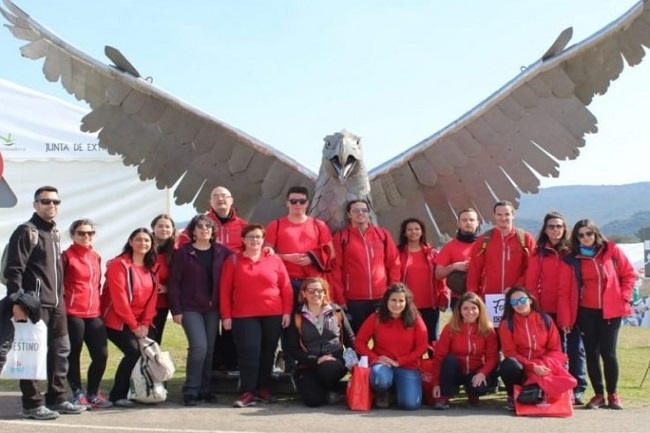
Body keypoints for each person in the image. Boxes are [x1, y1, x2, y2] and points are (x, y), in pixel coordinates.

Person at [3, 186, 86, 420]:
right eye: (46, 201)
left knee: (61, 351)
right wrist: (17, 302)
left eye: (56, 202)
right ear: (35, 205)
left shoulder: (55, 233)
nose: (52, 206)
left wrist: (62, 300)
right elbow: (14, 271)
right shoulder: (26, 231)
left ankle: (57, 398)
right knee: (32, 355)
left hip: (57, 304)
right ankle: (32, 404)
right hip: (33, 304)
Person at [557, 219, 636, 410]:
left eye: (589, 233)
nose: (586, 238)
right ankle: (598, 394)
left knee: (609, 353)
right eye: (581, 235)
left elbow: (629, 275)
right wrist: (566, 319)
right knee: (591, 353)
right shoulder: (571, 259)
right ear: (576, 238)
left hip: (611, 311)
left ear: (596, 233)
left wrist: (624, 297)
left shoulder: (612, 250)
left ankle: (613, 394)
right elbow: (564, 291)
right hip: (586, 312)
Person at [219, 224, 293, 408]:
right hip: (243, 316)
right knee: (249, 353)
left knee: (268, 354)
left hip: (273, 314)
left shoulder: (274, 260)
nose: (255, 240)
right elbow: (225, 290)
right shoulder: (233, 261)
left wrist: (286, 312)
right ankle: (247, 392)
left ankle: (263, 389)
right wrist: (226, 315)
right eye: (251, 237)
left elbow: (286, 288)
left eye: (258, 237)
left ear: (263, 239)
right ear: (243, 240)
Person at [178, 186, 246, 374]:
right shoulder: (199, 225)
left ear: (232, 200)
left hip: (234, 285)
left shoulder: (243, 227)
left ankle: (232, 364)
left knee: (231, 324)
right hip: (204, 287)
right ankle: (213, 368)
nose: (220, 199)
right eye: (215, 196)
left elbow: (253, 249)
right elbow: (182, 250)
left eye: (224, 196)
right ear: (210, 202)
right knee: (207, 334)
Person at [265, 186, 334, 372]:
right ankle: (287, 362)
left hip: (312, 286)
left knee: (308, 324)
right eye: (293, 201)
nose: (297, 205)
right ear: (287, 203)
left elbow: (331, 252)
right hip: (284, 283)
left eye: (301, 201)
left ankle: (310, 363)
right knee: (286, 325)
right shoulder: (276, 225)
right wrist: (287, 257)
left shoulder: (318, 225)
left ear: (307, 203)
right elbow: (266, 253)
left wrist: (312, 256)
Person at [168, 214, 233, 406]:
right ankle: (190, 391)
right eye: (200, 226)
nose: (205, 229)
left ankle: (205, 390)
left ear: (213, 231)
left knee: (210, 349)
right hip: (190, 307)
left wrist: (268, 251)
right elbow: (174, 284)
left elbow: (242, 259)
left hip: (213, 309)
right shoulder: (183, 253)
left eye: (208, 226)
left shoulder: (222, 252)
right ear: (193, 231)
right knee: (199, 347)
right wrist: (176, 310)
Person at [524, 211, 587, 405]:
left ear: (565, 228)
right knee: (554, 351)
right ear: (545, 229)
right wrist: (535, 309)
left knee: (576, 348)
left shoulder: (573, 251)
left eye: (559, 226)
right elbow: (532, 283)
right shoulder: (539, 253)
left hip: (573, 306)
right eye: (551, 226)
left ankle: (578, 387)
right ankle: (557, 384)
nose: (555, 230)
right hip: (547, 309)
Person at [101, 228, 158, 408]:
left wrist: (145, 323)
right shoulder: (119, 264)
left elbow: (153, 298)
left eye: (147, 241)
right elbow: (120, 301)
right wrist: (134, 326)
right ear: (131, 241)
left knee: (147, 353)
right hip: (116, 320)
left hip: (141, 322)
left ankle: (140, 392)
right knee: (133, 351)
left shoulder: (151, 267)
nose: (143, 244)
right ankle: (117, 395)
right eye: (139, 240)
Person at [330, 199, 401, 333]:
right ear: (349, 215)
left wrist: (392, 290)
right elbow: (335, 269)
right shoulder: (341, 238)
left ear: (369, 213)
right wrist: (339, 298)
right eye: (356, 210)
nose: (360, 213)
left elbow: (394, 263)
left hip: (381, 297)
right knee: (356, 338)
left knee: (383, 336)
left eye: (364, 210)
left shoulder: (383, 235)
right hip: (354, 299)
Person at [62, 219, 112, 409]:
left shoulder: (96, 257)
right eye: (81, 233)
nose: (86, 236)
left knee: (101, 354)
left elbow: (97, 285)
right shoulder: (66, 256)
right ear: (73, 235)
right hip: (72, 312)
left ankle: (93, 392)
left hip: (94, 313)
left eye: (90, 233)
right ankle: (77, 393)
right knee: (74, 354)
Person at [354, 283, 428, 410]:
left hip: (406, 365)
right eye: (393, 300)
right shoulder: (375, 317)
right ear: (386, 300)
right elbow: (360, 342)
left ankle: (395, 391)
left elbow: (422, 347)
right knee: (381, 379)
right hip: (383, 364)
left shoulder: (415, 319)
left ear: (407, 302)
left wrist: (399, 362)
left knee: (410, 404)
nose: (397, 304)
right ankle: (382, 392)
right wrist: (375, 359)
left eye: (401, 300)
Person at [285, 277, 355, 407]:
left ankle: (331, 389)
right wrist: (316, 359)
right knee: (313, 401)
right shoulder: (297, 316)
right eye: (311, 291)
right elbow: (293, 349)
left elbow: (350, 338)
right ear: (304, 293)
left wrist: (354, 361)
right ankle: (334, 391)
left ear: (324, 292)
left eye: (319, 290)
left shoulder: (336, 311)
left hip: (334, 363)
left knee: (328, 368)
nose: (315, 294)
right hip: (308, 364)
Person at [498, 286, 565, 411]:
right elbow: (509, 352)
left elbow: (555, 349)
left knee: (563, 364)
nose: (519, 304)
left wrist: (543, 366)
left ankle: (546, 393)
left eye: (522, 300)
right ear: (510, 305)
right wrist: (532, 366)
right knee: (508, 364)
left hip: (544, 365)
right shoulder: (507, 324)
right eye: (514, 302)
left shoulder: (546, 319)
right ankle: (513, 395)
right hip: (523, 367)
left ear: (530, 300)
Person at [430, 292, 499, 410]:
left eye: (473, 308)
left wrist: (483, 372)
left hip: (475, 372)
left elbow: (492, 357)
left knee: (480, 389)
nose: (470, 312)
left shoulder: (487, 329)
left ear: (480, 310)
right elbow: (439, 356)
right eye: (465, 308)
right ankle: (444, 396)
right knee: (449, 359)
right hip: (456, 372)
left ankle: (472, 392)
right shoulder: (450, 328)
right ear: (459, 311)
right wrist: (436, 383)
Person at [467, 201, 535, 300]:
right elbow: (475, 269)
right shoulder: (484, 240)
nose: (503, 218)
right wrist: (473, 295)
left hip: (517, 297)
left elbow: (531, 268)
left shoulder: (525, 238)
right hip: (489, 297)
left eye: (507, 214)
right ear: (494, 215)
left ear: (513, 215)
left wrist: (516, 287)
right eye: (499, 214)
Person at [397, 217, 448, 344]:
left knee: (432, 340)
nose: (413, 232)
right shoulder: (398, 253)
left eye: (417, 229)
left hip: (430, 304)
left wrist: (443, 295)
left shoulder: (432, 253)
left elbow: (440, 278)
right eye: (409, 229)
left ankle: (433, 364)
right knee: (408, 341)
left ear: (422, 232)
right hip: (406, 305)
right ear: (404, 232)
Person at [434, 208, 480, 309]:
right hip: (459, 299)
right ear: (458, 223)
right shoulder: (449, 247)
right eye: (464, 220)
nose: (468, 223)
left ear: (477, 223)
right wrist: (454, 266)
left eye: (471, 220)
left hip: (483, 296)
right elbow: (438, 274)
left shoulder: (486, 245)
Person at [150, 214, 177, 345]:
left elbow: (180, 278)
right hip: (141, 304)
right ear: (153, 228)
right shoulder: (143, 246)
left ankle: (152, 365)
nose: (163, 229)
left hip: (161, 304)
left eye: (167, 226)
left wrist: (167, 288)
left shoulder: (175, 252)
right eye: (160, 226)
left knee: (155, 341)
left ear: (172, 229)